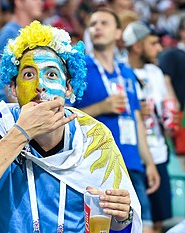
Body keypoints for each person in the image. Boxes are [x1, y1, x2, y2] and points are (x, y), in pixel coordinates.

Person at [0, 21, 142, 232]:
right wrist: (21, 133)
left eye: (51, 74)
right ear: (13, 89)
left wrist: (123, 217)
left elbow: (116, 225)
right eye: (28, 74)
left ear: (68, 88)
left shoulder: (93, 136)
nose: (39, 84)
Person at [73, 8, 160, 233]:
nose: (97, 28)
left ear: (119, 32)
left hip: (132, 162)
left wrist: (148, 162)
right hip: (99, 164)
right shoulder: (80, 69)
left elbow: (137, 120)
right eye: (93, 24)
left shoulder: (127, 72)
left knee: (145, 227)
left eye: (104, 23)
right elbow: (67, 116)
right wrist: (101, 107)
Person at [123, 20, 174, 233]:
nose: (159, 48)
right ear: (137, 46)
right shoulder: (121, 71)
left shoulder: (156, 72)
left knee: (159, 221)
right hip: (136, 157)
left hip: (159, 154)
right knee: (139, 224)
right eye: (153, 43)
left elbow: (167, 109)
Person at [0, 0, 43, 103]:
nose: (40, 2)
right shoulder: (9, 34)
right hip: (14, 112)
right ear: (19, 2)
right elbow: (6, 84)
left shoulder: (37, 33)